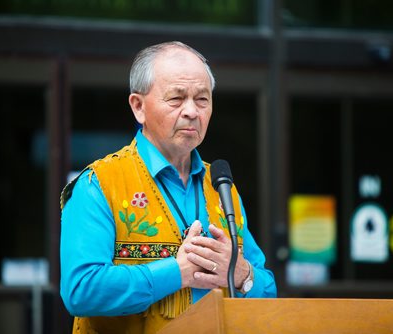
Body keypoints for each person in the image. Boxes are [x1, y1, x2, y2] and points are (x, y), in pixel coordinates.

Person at [60, 41, 277, 333]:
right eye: (176, 98)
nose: (191, 111)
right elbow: (81, 290)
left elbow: (268, 290)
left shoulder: (222, 186)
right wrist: (176, 273)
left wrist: (242, 275)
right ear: (138, 107)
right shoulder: (99, 184)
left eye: (202, 99)